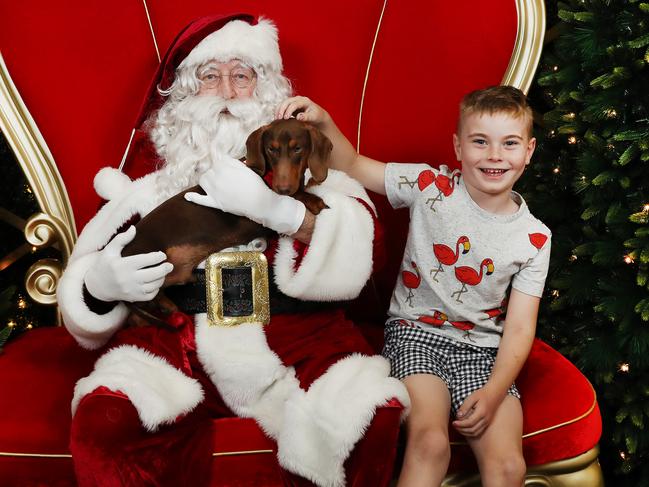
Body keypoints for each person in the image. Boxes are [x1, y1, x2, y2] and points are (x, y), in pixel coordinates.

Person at [57, 14, 408, 487]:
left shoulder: (314, 174)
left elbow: (370, 247)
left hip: (299, 344)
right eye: (209, 76)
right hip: (176, 346)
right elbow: (80, 288)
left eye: (241, 75)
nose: (225, 90)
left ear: (267, 88)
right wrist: (99, 288)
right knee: (107, 418)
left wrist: (281, 213)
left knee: (371, 414)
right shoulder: (147, 192)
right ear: (183, 96)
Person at [282, 85, 551, 486]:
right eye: (481, 142)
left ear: (528, 152)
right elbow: (354, 164)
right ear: (458, 147)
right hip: (416, 336)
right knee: (430, 443)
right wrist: (323, 122)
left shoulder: (534, 237)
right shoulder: (430, 186)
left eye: (509, 144)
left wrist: (495, 390)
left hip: (484, 354)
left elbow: (519, 326)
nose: (495, 155)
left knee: (509, 466)